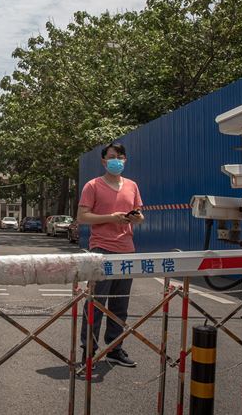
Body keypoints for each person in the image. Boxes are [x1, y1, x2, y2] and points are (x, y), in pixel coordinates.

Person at [76, 142, 145, 370]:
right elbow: (83, 217)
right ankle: (89, 351)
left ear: (126, 160)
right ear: (104, 161)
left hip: (127, 250)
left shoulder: (132, 185)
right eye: (113, 156)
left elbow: (139, 213)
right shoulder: (92, 185)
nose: (117, 160)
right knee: (96, 302)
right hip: (101, 250)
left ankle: (115, 348)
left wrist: (136, 218)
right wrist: (111, 217)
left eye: (121, 156)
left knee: (120, 304)